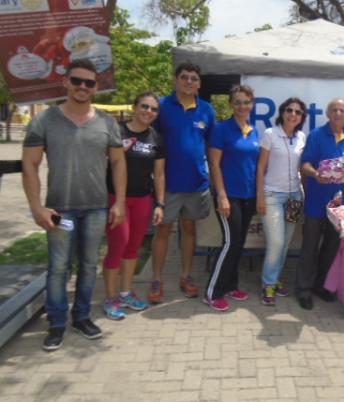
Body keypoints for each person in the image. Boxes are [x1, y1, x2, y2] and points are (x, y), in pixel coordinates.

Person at [22, 58, 126, 351]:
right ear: (65, 82)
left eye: (89, 83)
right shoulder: (44, 120)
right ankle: (56, 323)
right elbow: (30, 165)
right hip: (59, 208)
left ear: (95, 87)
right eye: (77, 81)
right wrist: (36, 208)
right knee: (58, 268)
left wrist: (119, 202)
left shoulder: (106, 123)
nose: (83, 87)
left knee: (89, 265)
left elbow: (118, 162)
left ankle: (81, 317)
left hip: (96, 207)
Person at [296, 98, 344, 310]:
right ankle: (303, 289)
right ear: (328, 113)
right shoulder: (316, 135)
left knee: (331, 247)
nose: (338, 113)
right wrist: (315, 173)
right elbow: (304, 164)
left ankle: (318, 285)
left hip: (341, 204)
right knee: (310, 247)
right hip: (316, 201)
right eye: (334, 110)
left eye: (342, 110)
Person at [149, 63, 215, 303]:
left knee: (189, 229)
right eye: (184, 77)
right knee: (163, 231)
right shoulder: (162, 107)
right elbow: (151, 140)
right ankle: (156, 279)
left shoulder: (207, 110)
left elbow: (210, 146)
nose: (189, 81)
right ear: (176, 80)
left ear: (199, 84)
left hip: (196, 183)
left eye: (194, 78)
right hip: (167, 184)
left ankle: (185, 277)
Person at [102, 92, 166, 320]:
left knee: (133, 247)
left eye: (153, 109)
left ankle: (126, 292)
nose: (148, 112)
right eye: (144, 106)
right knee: (117, 246)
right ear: (134, 107)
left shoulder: (156, 137)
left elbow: (159, 175)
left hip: (143, 199)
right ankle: (110, 298)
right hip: (117, 199)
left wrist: (160, 204)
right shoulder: (117, 131)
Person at [204, 84, 259, 311]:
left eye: (246, 102)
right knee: (229, 243)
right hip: (230, 196)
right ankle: (213, 292)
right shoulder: (222, 129)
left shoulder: (253, 130)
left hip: (249, 196)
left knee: (238, 243)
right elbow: (214, 163)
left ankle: (231, 285)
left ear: (252, 104)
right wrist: (222, 196)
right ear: (230, 104)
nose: (242, 106)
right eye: (237, 102)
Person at [256, 98, 307, 306]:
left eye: (297, 112)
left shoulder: (302, 137)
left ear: (302, 117)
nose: (292, 114)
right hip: (272, 196)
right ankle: (267, 283)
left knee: (285, 243)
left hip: (294, 196)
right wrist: (259, 196)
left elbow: (302, 168)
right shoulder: (270, 134)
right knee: (276, 242)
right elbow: (260, 168)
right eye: (289, 110)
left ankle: (275, 280)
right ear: (282, 112)